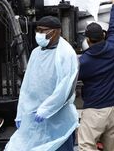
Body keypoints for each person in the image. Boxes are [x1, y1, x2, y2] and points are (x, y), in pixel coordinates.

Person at [5, 16, 79, 151]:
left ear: (56, 32)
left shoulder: (65, 54)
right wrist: (21, 112)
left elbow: (65, 89)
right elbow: (27, 86)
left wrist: (46, 109)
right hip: (35, 118)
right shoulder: (36, 53)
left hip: (58, 121)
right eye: (37, 30)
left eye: (42, 31)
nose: (38, 34)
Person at [78, 0, 114, 151]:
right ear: (104, 35)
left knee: (86, 146)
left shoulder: (84, 62)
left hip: (94, 112)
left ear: (87, 40)